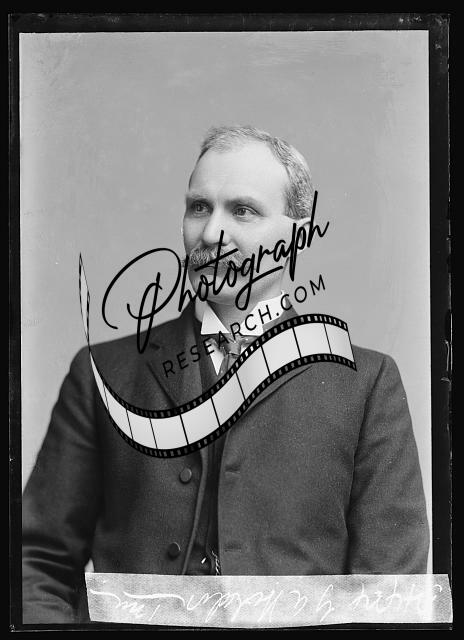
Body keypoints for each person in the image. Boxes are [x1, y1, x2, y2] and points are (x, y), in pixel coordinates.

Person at [22, 125, 429, 624]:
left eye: (243, 210)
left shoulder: (366, 383)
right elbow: (35, 565)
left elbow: (391, 595)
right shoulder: (103, 374)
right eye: (199, 207)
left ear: (297, 236)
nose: (212, 232)